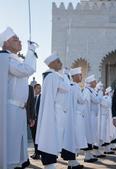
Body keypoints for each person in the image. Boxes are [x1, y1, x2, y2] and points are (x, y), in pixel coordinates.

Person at [0, 27, 37, 169]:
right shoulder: (5, 58)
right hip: (10, 109)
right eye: (15, 39)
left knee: (17, 146)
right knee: (10, 147)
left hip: (19, 110)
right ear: (6, 43)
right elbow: (26, 70)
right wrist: (31, 50)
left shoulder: (14, 59)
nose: (19, 41)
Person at [35, 53, 69, 169]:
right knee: (49, 140)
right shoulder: (51, 77)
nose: (61, 64)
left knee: (54, 142)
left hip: (57, 114)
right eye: (58, 61)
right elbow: (64, 89)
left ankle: (51, 164)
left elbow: (65, 88)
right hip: (52, 115)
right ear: (52, 63)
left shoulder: (55, 76)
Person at [61, 67, 84, 169]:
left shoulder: (68, 85)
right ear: (74, 77)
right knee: (73, 139)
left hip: (66, 116)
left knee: (69, 139)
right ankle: (72, 163)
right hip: (74, 117)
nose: (81, 76)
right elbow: (81, 100)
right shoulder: (75, 87)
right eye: (79, 75)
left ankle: (72, 162)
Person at [82, 75, 101, 163]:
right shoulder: (87, 91)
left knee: (91, 135)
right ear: (91, 83)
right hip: (89, 117)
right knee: (88, 136)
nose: (96, 83)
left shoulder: (91, 90)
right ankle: (87, 156)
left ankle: (89, 154)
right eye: (94, 81)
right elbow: (95, 101)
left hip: (93, 116)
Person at [30, 83, 41, 160]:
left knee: (39, 138)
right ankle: (36, 153)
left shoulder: (41, 97)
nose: (39, 90)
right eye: (37, 88)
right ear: (34, 89)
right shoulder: (32, 98)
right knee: (34, 138)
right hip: (33, 121)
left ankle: (38, 153)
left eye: (40, 88)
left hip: (39, 121)